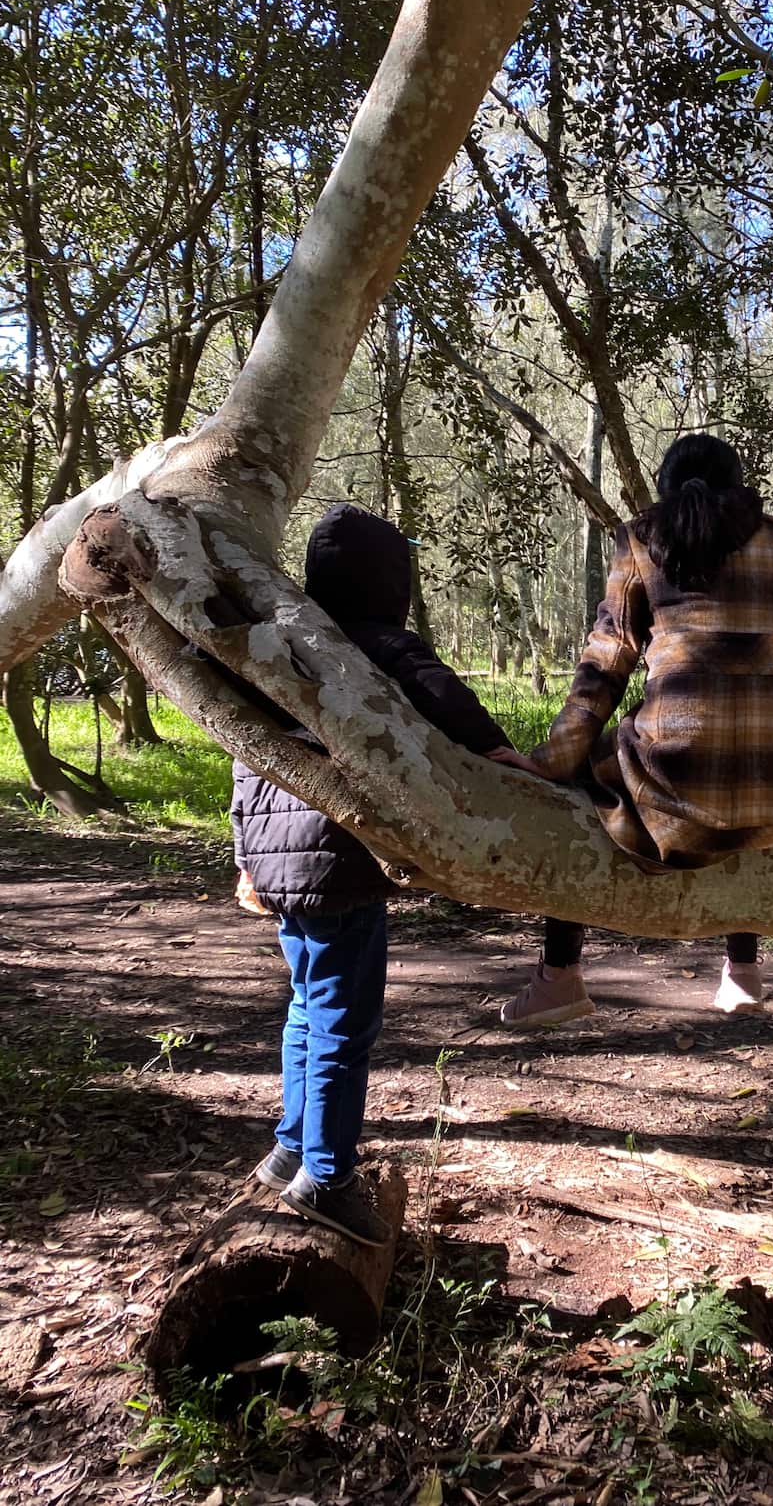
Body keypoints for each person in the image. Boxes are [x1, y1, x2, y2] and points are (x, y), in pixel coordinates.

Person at [232, 503, 541, 1246]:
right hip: (338, 856)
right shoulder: (374, 646)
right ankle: (328, 1178)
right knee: (345, 1020)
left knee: (307, 1007)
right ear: (388, 583)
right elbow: (440, 692)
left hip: (278, 857)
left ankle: (290, 1147)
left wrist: (244, 853)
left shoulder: (285, 650)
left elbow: (243, 750)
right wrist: (501, 752)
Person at [501, 434, 773, 1029]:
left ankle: (558, 977)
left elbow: (608, 659)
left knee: (591, 780)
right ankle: (742, 974)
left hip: (674, 773)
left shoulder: (640, 539)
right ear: (737, 484)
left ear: (666, 487)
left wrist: (555, 758)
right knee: (744, 762)